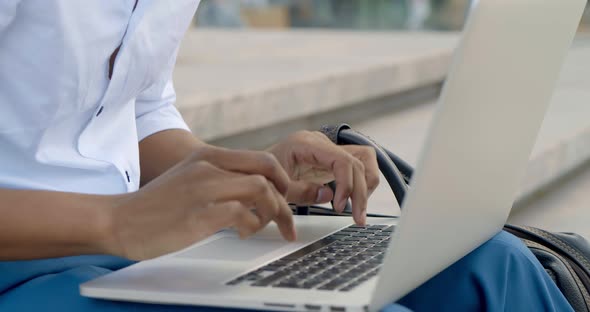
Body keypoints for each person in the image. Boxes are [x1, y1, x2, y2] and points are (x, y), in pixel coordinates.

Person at [0, 1, 574, 311]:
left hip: (129, 243)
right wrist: (115, 221)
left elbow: (136, 109)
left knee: (493, 264)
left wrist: (243, 171)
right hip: (26, 265)